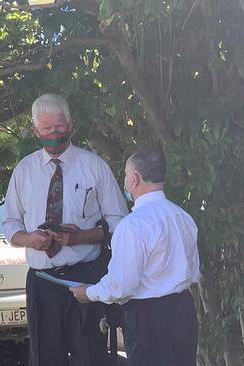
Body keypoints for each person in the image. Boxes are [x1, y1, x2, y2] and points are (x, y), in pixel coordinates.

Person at [3, 93, 128, 366]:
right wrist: (29, 239)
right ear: (35, 130)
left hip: (85, 279)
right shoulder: (24, 171)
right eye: (47, 129)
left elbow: (121, 222)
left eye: (59, 127)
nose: (54, 134)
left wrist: (81, 237)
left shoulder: (94, 166)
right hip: (43, 281)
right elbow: (10, 224)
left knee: (91, 358)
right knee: (45, 358)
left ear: (70, 125)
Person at [70, 148, 202, 366]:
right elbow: (193, 268)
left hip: (148, 318)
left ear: (134, 179)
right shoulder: (182, 216)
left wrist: (89, 292)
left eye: (125, 175)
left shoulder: (132, 225)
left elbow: (121, 285)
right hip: (183, 310)